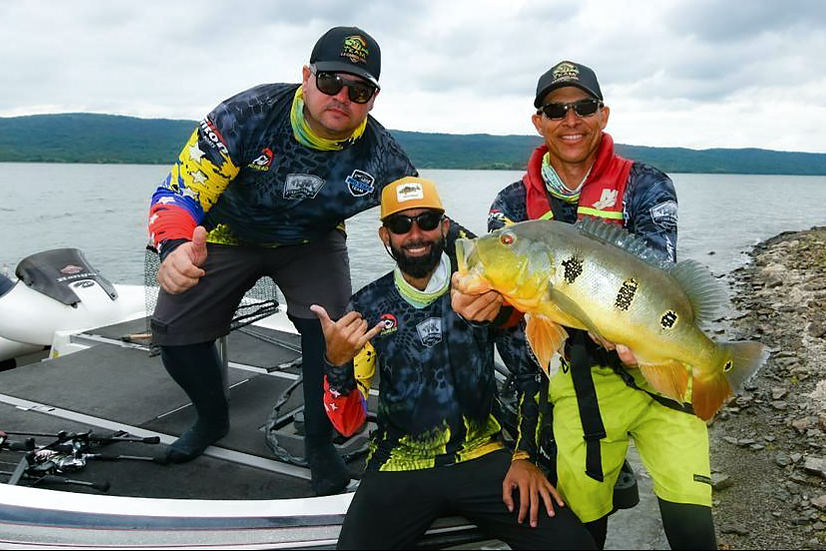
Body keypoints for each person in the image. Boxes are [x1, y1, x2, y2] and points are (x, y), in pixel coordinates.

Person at [451, 61, 717, 550]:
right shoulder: (511, 204)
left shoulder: (646, 184)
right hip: (577, 386)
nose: (570, 119)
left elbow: (658, 275)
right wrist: (491, 307)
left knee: (693, 526)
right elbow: (520, 339)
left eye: (584, 107)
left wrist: (638, 337)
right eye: (556, 109)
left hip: (662, 368)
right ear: (539, 122)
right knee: (581, 528)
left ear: (604, 113)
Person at [146, 26, 417, 496]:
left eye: (359, 90)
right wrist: (172, 249)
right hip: (225, 233)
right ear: (306, 77)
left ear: (373, 99)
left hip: (311, 240)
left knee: (332, 332)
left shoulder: (381, 153)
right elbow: (178, 191)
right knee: (174, 334)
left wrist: (484, 262)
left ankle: (318, 443)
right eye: (331, 81)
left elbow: (423, 217)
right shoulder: (246, 115)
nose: (342, 97)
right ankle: (212, 418)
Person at [312, 177, 595, 550]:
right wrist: (335, 362)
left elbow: (530, 375)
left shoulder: (489, 291)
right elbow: (349, 424)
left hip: (483, 455)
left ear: (444, 228)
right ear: (385, 236)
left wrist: (526, 458)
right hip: (398, 464)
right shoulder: (366, 307)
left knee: (574, 545)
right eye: (401, 225)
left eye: (427, 221)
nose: (415, 235)